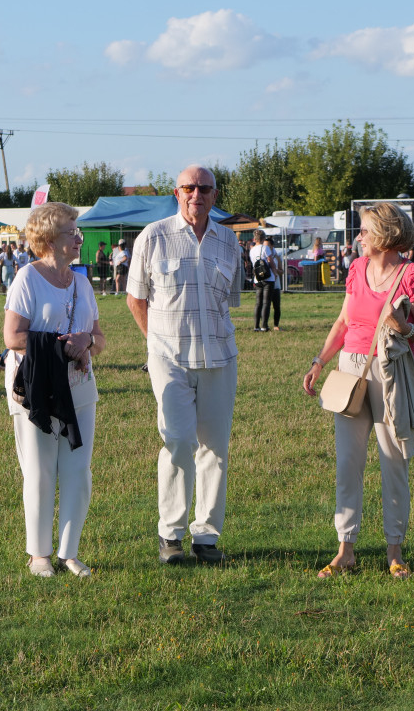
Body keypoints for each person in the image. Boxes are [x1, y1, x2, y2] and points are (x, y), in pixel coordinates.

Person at [302, 203, 414, 580]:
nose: (357, 237)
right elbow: (345, 320)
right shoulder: (357, 269)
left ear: (383, 235)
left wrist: (403, 328)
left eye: (363, 231)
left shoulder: (413, 275)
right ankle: (345, 549)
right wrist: (319, 361)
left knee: (393, 462)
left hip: (392, 372)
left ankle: (394, 550)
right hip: (351, 370)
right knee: (348, 464)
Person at [127, 165, 240, 565]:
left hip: (219, 359)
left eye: (204, 188)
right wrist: (155, 344)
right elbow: (136, 300)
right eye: (189, 188)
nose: (197, 194)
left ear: (215, 194)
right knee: (177, 440)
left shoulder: (229, 242)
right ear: (176, 193)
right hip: (169, 358)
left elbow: (231, 301)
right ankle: (170, 535)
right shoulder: (153, 237)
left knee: (215, 449)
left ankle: (206, 537)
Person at [3, 202, 105, 578]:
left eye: (78, 232)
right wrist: (61, 346)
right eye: (71, 232)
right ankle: (39, 555)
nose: (79, 239)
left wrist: (87, 342)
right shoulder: (27, 279)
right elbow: (12, 336)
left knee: (79, 470)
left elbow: (99, 337)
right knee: (40, 471)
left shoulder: (81, 281)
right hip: (38, 388)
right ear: (48, 239)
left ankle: (70, 553)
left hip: (80, 387)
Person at [249, 228, 276, 332]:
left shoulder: (252, 250)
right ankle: (264, 326)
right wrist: (274, 272)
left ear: (255, 238)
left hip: (258, 278)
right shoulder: (265, 248)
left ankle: (256, 326)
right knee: (266, 303)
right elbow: (270, 261)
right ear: (263, 238)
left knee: (258, 303)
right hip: (268, 278)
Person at [265, 237, 283, 332]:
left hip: (276, 285)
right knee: (265, 305)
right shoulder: (263, 254)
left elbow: (281, 271)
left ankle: (276, 324)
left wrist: (275, 271)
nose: (266, 247)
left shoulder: (276, 256)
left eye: (267, 245)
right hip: (266, 283)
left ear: (272, 246)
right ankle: (265, 324)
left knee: (276, 306)